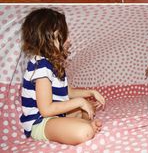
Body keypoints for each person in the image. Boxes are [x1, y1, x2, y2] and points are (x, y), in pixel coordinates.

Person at [20, 8, 105, 145]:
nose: (69, 40)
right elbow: (46, 110)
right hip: (41, 121)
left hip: (56, 116)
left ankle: (80, 123)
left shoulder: (53, 64)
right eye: (65, 35)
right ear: (49, 38)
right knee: (84, 131)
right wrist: (79, 101)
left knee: (87, 108)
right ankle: (83, 126)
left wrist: (90, 93)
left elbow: (67, 92)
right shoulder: (40, 67)